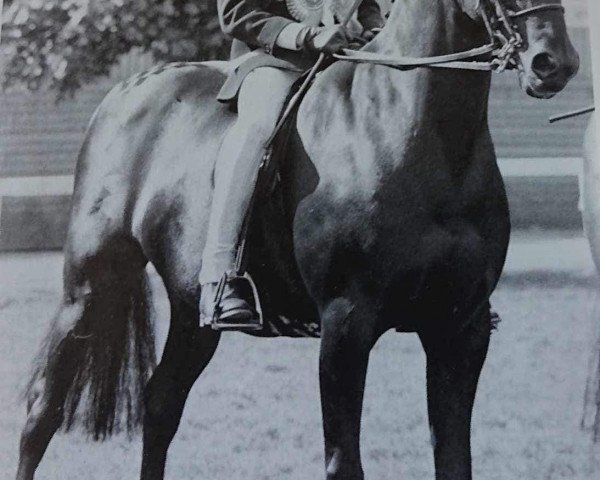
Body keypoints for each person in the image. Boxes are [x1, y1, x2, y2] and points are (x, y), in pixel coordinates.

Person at [199, 0, 385, 329]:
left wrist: (374, 29)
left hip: (350, 59)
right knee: (255, 130)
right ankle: (219, 277)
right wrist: (306, 36)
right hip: (274, 60)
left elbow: (366, 6)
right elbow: (235, 14)